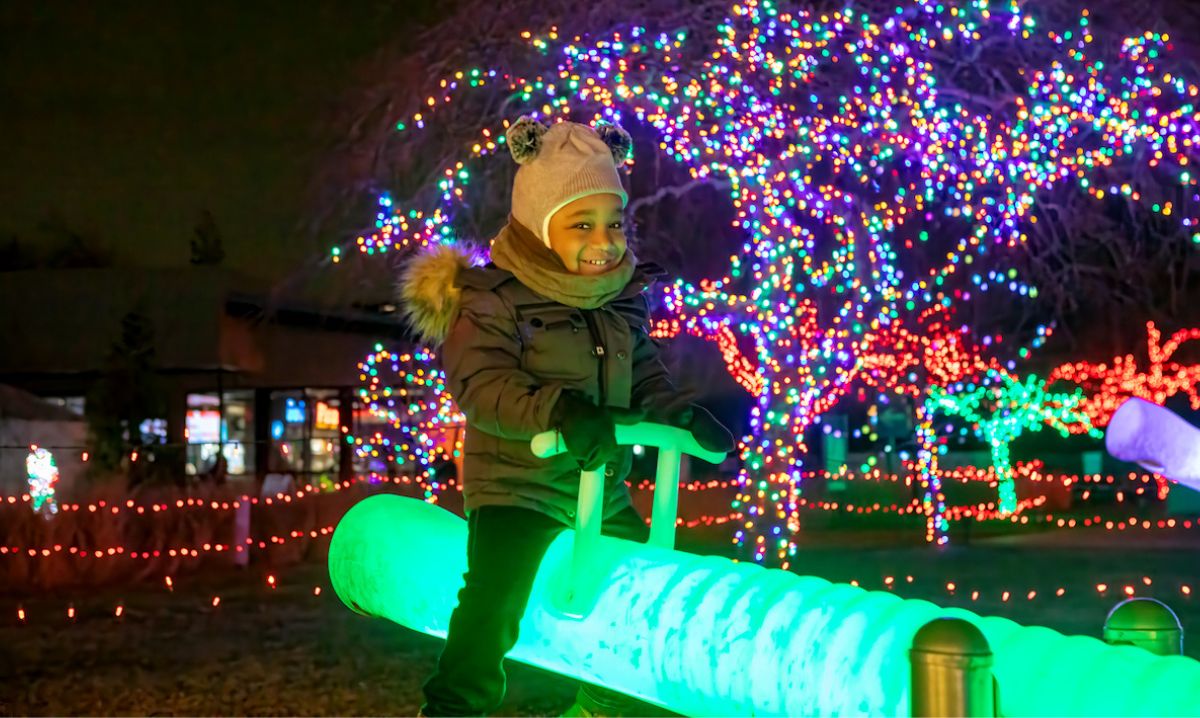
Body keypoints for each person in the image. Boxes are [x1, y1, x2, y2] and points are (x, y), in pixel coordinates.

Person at [400, 116, 734, 717]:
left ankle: (602, 708)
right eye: (582, 224)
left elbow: (645, 377)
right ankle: (454, 708)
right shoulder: (492, 298)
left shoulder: (621, 299)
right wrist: (559, 410)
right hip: (517, 488)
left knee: (643, 600)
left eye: (613, 223)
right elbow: (483, 386)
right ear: (540, 223)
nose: (603, 241)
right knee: (494, 604)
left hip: (599, 489)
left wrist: (679, 415)